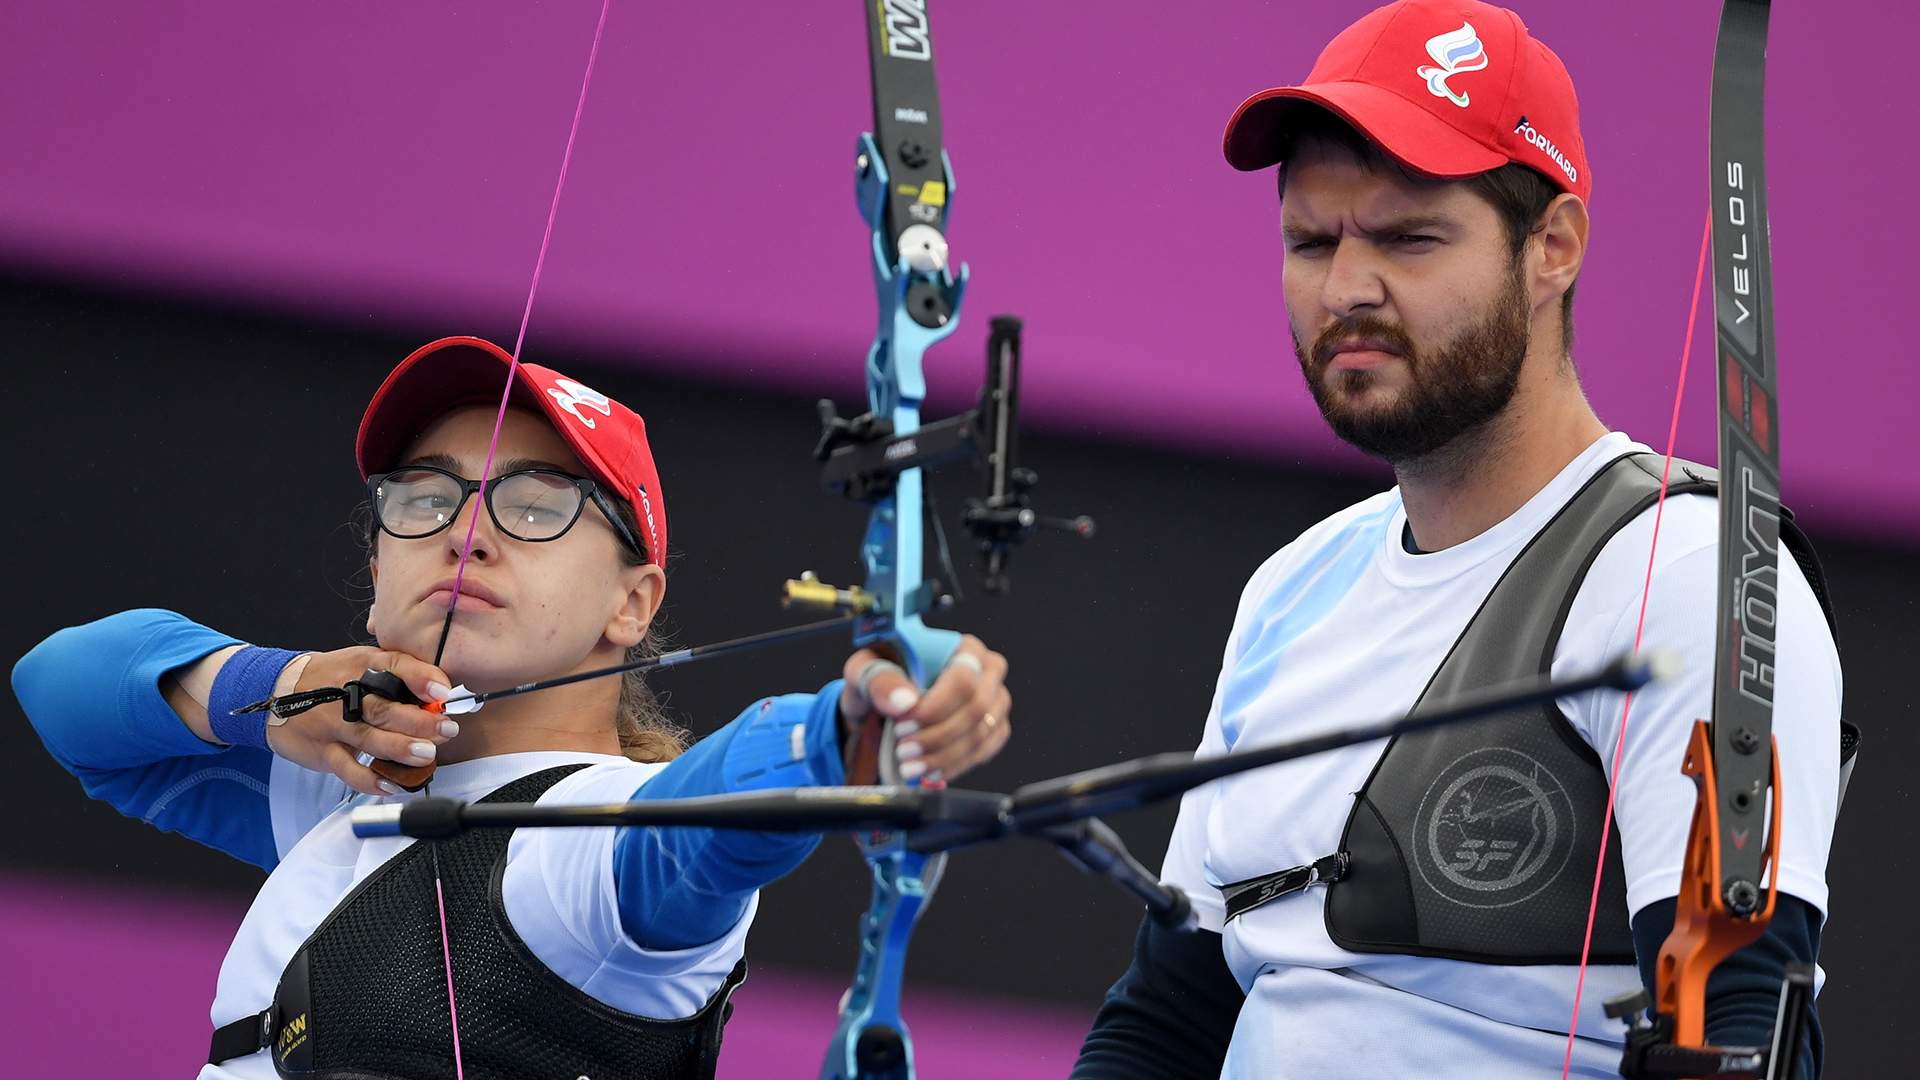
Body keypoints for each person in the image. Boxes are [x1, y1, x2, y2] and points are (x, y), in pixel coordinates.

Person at [1071, 2, 1840, 1077]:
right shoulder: (1293, 589)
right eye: (1310, 240)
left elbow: (1740, 1027)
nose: (1345, 288)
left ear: (1553, 249)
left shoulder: (1679, 575)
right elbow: (1164, 1024)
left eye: (1407, 238)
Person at [12, 335, 1013, 1079]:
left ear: (634, 603)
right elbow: (62, 692)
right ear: (377, 569)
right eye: (423, 499)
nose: (465, 534)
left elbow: (702, 827)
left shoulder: (585, 858)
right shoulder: (342, 796)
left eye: (536, 505)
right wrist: (272, 691)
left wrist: (839, 727)